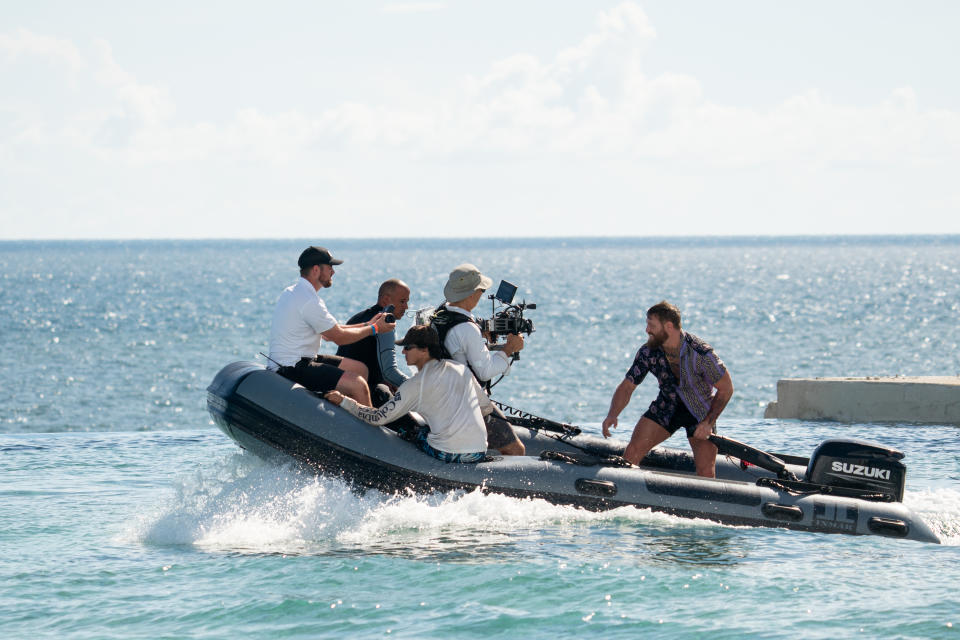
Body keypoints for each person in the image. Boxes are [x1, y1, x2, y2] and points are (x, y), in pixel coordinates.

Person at [601, 301, 734, 478]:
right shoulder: (648, 352)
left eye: (651, 325)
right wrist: (612, 414)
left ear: (669, 326)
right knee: (632, 452)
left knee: (706, 472)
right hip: (666, 406)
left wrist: (708, 422)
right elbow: (627, 386)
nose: (647, 330)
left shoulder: (700, 353)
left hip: (700, 412)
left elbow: (726, 389)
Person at [324, 325, 491, 464]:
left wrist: (344, 401)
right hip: (479, 451)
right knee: (425, 428)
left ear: (425, 350)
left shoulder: (415, 385)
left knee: (411, 433)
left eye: (408, 347)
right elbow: (484, 408)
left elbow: (378, 418)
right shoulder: (460, 369)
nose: (403, 352)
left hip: (447, 453)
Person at [267, 246, 395, 405]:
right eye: (329, 267)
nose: (333, 272)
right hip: (292, 368)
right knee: (358, 384)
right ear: (316, 270)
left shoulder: (294, 291)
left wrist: (368, 324)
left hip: (298, 360)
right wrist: (375, 329)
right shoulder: (309, 300)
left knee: (360, 369)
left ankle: (349, 411)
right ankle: (371, 424)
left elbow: (329, 332)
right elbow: (339, 338)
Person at [429, 263, 525, 456]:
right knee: (516, 450)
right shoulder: (467, 328)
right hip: (466, 400)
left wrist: (480, 340)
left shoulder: (438, 315)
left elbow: (453, 347)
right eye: (481, 290)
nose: (481, 295)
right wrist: (509, 348)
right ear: (472, 294)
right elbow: (485, 371)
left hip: (443, 394)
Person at [336, 279, 410, 403]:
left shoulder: (358, 317)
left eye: (407, 302)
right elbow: (389, 372)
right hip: (363, 388)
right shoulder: (385, 322)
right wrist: (418, 387)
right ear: (386, 300)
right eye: (402, 302)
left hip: (341, 382)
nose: (406, 307)